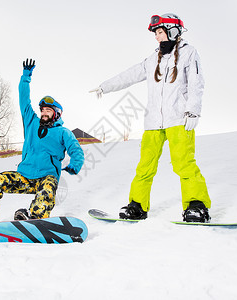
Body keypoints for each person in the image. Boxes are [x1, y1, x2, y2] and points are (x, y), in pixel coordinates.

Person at [90, 13, 211, 222]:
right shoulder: (152, 59)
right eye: (155, 33)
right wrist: (105, 86)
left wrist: (193, 110)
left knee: (184, 164)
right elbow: (129, 75)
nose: (157, 37)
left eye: (160, 32)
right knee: (145, 166)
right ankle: (137, 206)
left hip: (178, 120)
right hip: (153, 122)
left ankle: (196, 205)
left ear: (173, 32)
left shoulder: (189, 54)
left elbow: (196, 83)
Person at [0, 59, 84, 222]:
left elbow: (76, 150)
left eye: (48, 111)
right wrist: (25, 77)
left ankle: (36, 219)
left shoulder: (63, 132)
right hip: (25, 176)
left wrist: (75, 165)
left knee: (48, 189)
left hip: (46, 177)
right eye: (42, 110)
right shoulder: (32, 122)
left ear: (56, 113)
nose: (43, 113)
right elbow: (24, 100)